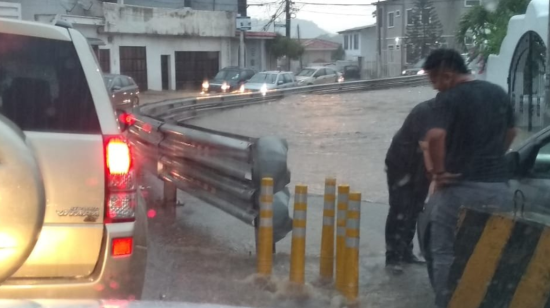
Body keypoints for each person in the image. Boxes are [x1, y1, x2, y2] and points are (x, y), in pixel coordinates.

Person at [421, 49, 516, 307]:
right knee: (493, 253)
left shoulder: (448, 99)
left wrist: (439, 173)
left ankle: (447, 303)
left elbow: (435, 137)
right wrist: (493, 157)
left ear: (447, 75)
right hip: (498, 188)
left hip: (458, 188)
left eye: (434, 80)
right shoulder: (497, 93)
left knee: (445, 254)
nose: (434, 87)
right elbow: (511, 131)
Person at [384, 99, 437, 274]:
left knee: (415, 209)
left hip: (420, 168)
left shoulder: (448, 114)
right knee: (400, 209)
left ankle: (406, 251)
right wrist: (436, 175)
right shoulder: (426, 111)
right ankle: (392, 257)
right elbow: (426, 146)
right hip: (401, 165)